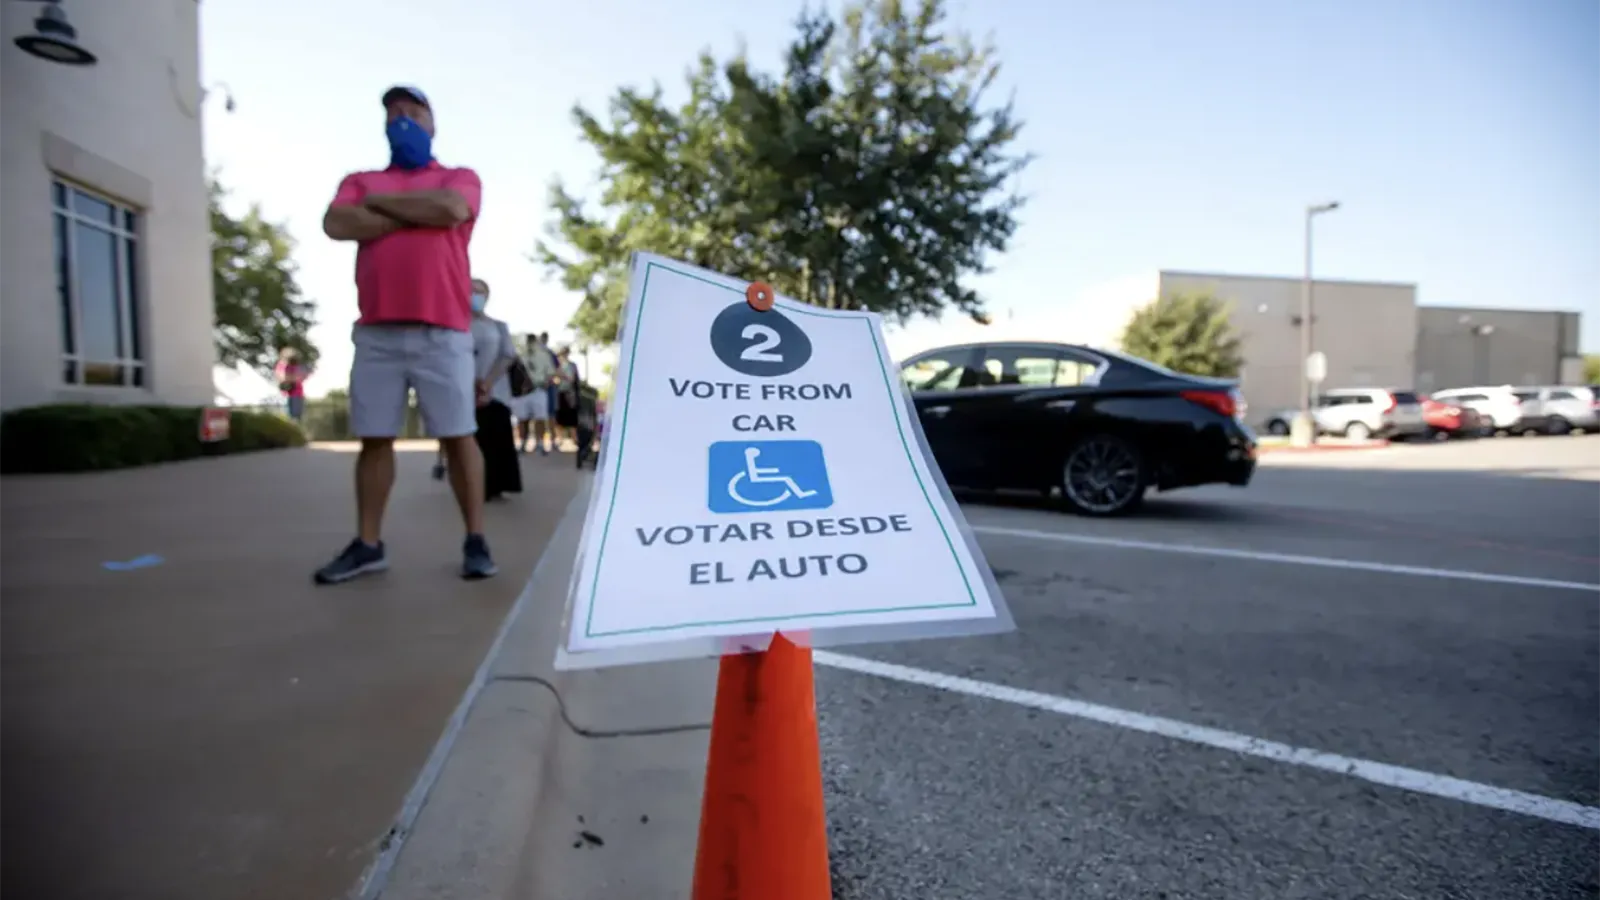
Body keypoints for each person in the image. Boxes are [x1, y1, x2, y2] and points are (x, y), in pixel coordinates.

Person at [313, 84, 496, 584]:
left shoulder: (458, 177)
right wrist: (411, 210)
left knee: (460, 437)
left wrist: (381, 210)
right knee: (375, 439)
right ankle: (368, 544)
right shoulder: (361, 179)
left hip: (443, 332)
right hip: (377, 333)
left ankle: (475, 539)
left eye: (413, 112)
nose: (402, 120)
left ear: (433, 123)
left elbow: (452, 210)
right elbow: (335, 222)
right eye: (393, 113)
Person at [468, 278, 522, 499]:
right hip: (465, 389)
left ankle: (497, 486)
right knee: (472, 439)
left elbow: (508, 355)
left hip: (495, 390)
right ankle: (471, 484)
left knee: (497, 438)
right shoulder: (456, 325)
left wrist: (488, 381)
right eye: (472, 291)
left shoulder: (498, 326)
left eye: (480, 292)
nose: (476, 296)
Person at [514, 333, 555, 454]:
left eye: (532, 340)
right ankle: (522, 443)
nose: (531, 343)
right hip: (523, 392)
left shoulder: (543, 355)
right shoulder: (521, 355)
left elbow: (550, 373)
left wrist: (545, 383)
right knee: (522, 419)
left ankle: (541, 443)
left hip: (538, 389)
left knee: (540, 418)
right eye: (529, 340)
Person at [553, 345, 582, 448]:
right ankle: (559, 439)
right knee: (559, 417)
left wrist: (562, 376)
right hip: (559, 393)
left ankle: (575, 439)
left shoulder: (572, 365)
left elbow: (572, 379)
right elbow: (555, 380)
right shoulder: (558, 366)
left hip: (570, 393)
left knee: (572, 417)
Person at [275, 347, 309, 422]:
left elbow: (301, 377)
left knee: (295, 418)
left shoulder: (298, 366)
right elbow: (280, 377)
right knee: (285, 418)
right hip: (284, 395)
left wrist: (291, 378)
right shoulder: (281, 365)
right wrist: (289, 378)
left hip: (297, 394)